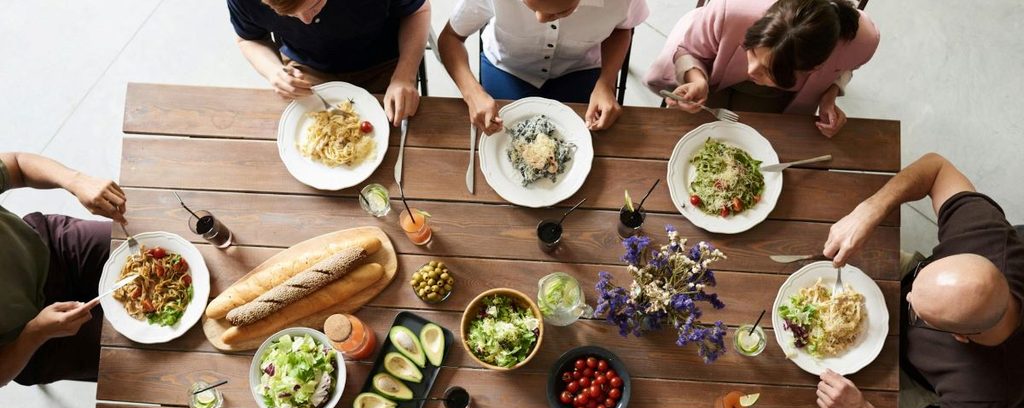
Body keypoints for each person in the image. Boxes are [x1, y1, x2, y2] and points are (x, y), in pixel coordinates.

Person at [817, 152, 1024, 408]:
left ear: (960, 336)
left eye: (916, 307)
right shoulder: (986, 236)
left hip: (909, 371)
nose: (905, 295)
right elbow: (936, 168)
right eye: (916, 289)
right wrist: (870, 210)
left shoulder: (983, 395)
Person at [645, 0, 879, 137]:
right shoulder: (731, 10)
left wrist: (829, 96)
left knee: (769, 139)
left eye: (769, 71)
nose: (751, 71)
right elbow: (690, 50)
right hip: (713, 70)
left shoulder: (862, 42)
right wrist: (697, 80)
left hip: (782, 99)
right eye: (752, 51)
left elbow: (845, 69)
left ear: (813, 68)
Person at [0, 152, 127, 388]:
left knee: (152, 251)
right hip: (32, 338)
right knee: (142, 355)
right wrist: (36, 332)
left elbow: (16, 165)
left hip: (52, 247)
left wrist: (75, 180)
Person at [438, 0, 650, 134]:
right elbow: (451, 38)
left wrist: (606, 82)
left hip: (580, 69)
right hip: (507, 68)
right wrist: (472, 93)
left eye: (560, 11)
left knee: (593, 144)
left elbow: (623, 29)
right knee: (496, 141)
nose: (540, 19)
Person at [227, 0, 431, 124]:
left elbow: (418, 11)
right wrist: (273, 71)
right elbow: (248, 38)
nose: (305, 20)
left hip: (384, 62)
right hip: (306, 68)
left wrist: (405, 76)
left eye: (314, 5)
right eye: (288, 15)